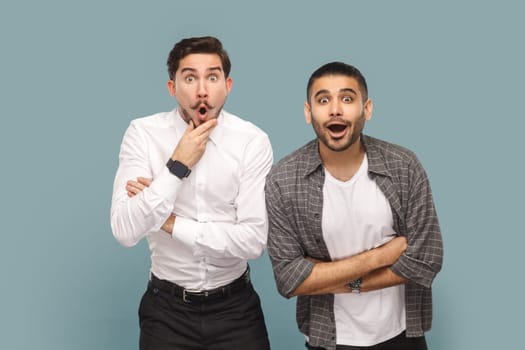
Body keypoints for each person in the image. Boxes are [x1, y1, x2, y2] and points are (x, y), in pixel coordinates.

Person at [265, 61, 443, 350]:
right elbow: (289, 280)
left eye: (347, 98)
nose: (335, 109)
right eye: (323, 100)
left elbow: (427, 260)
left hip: (402, 336)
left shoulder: (404, 166)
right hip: (329, 339)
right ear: (308, 112)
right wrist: (379, 256)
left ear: (367, 109)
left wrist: (323, 276)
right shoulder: (283, 179)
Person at [110, 36, 273, 349]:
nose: (202, 90)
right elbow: (124, 230)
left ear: (227, 85)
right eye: (190, 78)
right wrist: (176, 167)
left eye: (212, 77)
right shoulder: (143, 135)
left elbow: (253, 241)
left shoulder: (252, 141)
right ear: (172, 88)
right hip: (166, 311)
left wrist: (168, 222)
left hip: (236, 309)